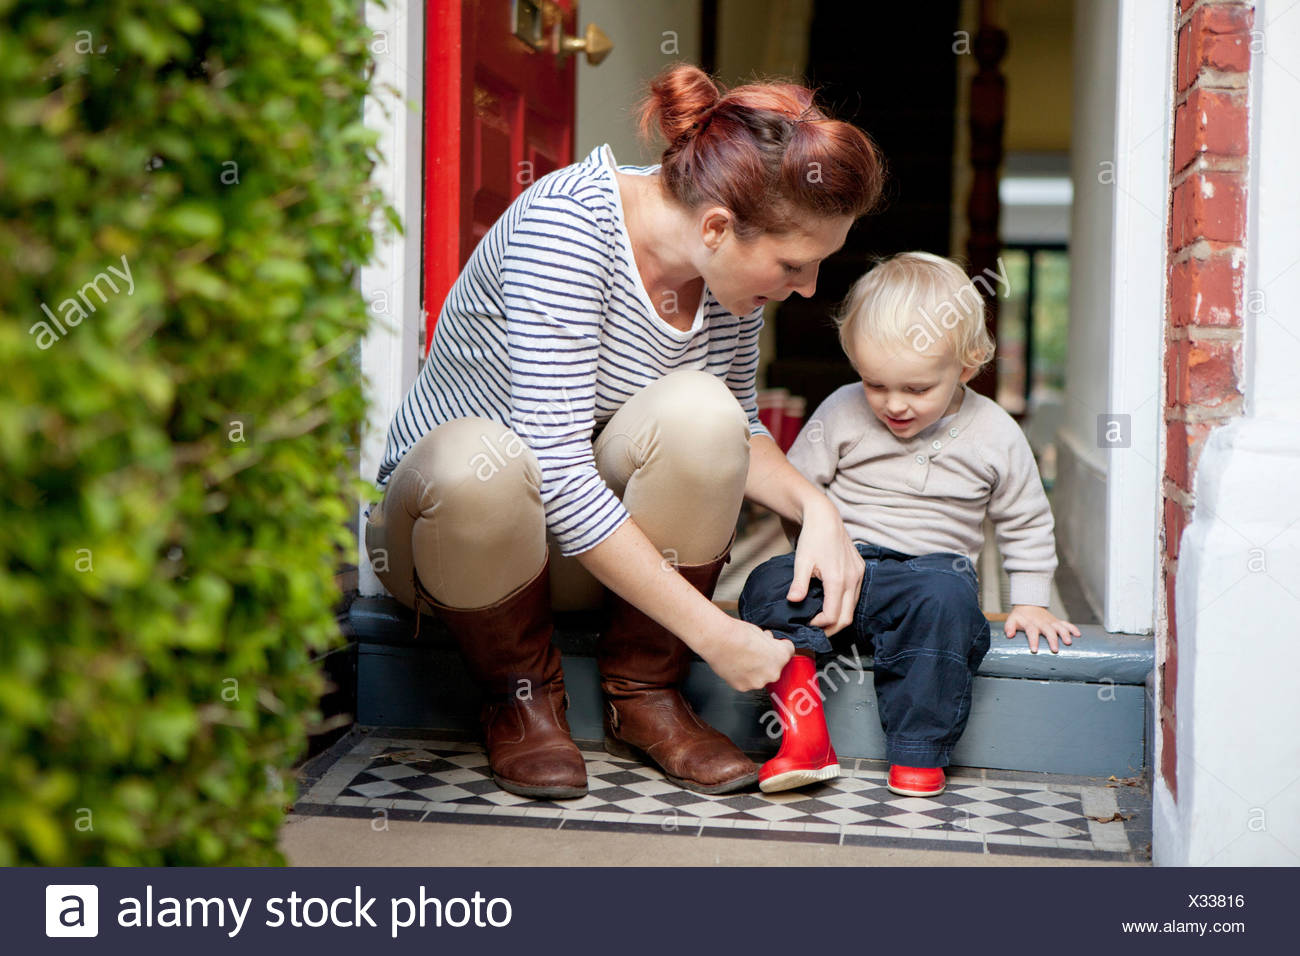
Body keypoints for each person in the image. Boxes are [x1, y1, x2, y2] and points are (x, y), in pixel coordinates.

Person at [363, 64, 884, 799]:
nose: (805, 289)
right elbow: (561, 471)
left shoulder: (732, 276)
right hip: (453, 547)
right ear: (715, 226)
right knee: (480, 459)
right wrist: (716, 632)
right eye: (795, 265)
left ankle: (647, 694)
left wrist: (817, 508)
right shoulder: (567, 227)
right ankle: (521, 699)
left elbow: (737, 426)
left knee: (704, 412)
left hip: (576, 559)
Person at [738, 252, 1080, 797]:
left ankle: (917, 751)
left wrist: (1032, 600)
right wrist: (809, 551)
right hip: (843, 569)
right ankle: (803, 736)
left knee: (948, 605)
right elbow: (795, 488)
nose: (893, 404)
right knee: (767, 586)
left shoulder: (994, 432)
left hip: (928, 575)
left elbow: (1025, 520)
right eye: (876, 384)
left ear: (965, 367)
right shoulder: (843, 410)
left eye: (917, 389)